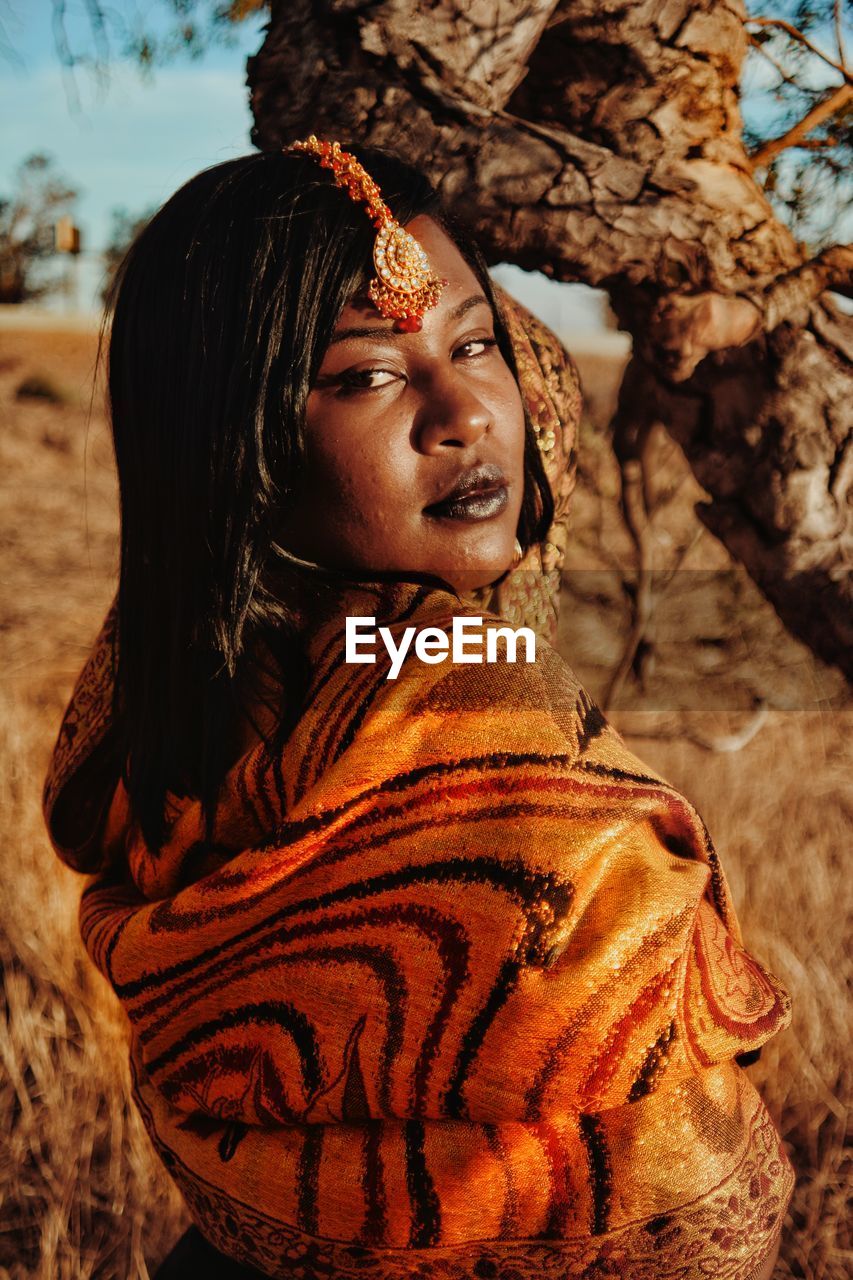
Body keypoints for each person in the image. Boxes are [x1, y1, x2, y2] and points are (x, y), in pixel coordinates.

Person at [43, 141, 793, 1280]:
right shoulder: (507, 754)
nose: (463, 414)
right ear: (238, 439)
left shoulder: (163, 710)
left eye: (474, 344)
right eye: (366, 376)